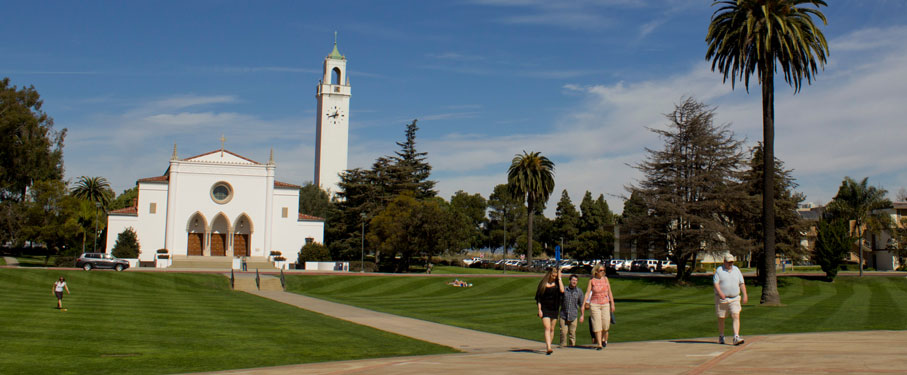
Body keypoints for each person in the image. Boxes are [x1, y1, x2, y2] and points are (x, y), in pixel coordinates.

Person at [714, 254, 748, 345]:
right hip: (722, 299)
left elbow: (741, 283)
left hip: (735, 298)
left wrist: (745, 294)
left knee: (736, 315)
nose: (730, 264)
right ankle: (721, 335)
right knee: (721, 318)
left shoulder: (736, 270)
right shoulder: (719, 270)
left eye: (731, 262)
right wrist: (720, 292)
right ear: (724, 261)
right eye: (728, 262)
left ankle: (736, 336)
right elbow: (716, 283)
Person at [584, 264, 615, 350]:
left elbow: (610, 292)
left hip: (605, 303)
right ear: (596, 271)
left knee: (605, 324)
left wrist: (612, 303)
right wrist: (584, 302)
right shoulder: (592, 281)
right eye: (601, 270)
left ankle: (604, 338)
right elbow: (587, 293)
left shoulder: (605, 279)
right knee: (597, 324)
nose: (603, 272)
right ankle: (599, 344)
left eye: (603, 270)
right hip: (595, 304)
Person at [535, 267, 564, 355]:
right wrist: (539, 310)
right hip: (545, 307)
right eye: (553, 275)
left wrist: (559, 278)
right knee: (547, 327)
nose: (554, 277)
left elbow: (562, 291)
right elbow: (539, 298)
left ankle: (549, 344)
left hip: (554, 307)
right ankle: (548, 347)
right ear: (549, 274)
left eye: (555, 276)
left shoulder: (557, 283)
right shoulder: (543, 284)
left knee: (552, 328)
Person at [559, 274, 584, 347]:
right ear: (570, 281)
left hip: (573, 316)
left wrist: (582, 315)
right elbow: (559, 301)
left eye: (576, 280)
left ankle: (572, 347)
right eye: (573, 280)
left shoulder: (579, 291)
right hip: (563, 315)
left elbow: (581, 304)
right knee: (563, 333)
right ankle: (562, 346)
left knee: (572, 334)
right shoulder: (564, 290)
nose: (574, 282)